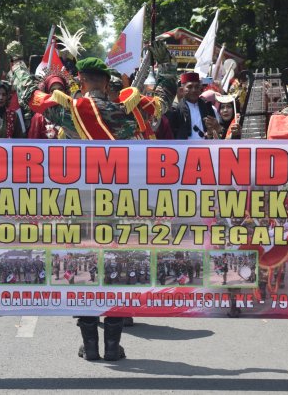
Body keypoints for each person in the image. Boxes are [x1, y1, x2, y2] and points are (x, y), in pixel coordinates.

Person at [30, 47, 175, 361]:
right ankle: (112, 346)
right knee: (116, 272)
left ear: (81, 80)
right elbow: (165, 95)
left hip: (80, 207)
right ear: (108, 83)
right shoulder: (134, 109)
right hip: (123, 207)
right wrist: (166, 64)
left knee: (84, 271)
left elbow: (29, 93)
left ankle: (91, 346)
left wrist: (33, 70)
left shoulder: (70, 109)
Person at [166, 72, 218, 140]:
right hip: (184, 148)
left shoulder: (207, 107)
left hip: (206, 147)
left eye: (196, 87)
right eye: (189, 87)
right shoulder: (176, 110)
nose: (194, 90)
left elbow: (215, 131)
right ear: (182, 89)